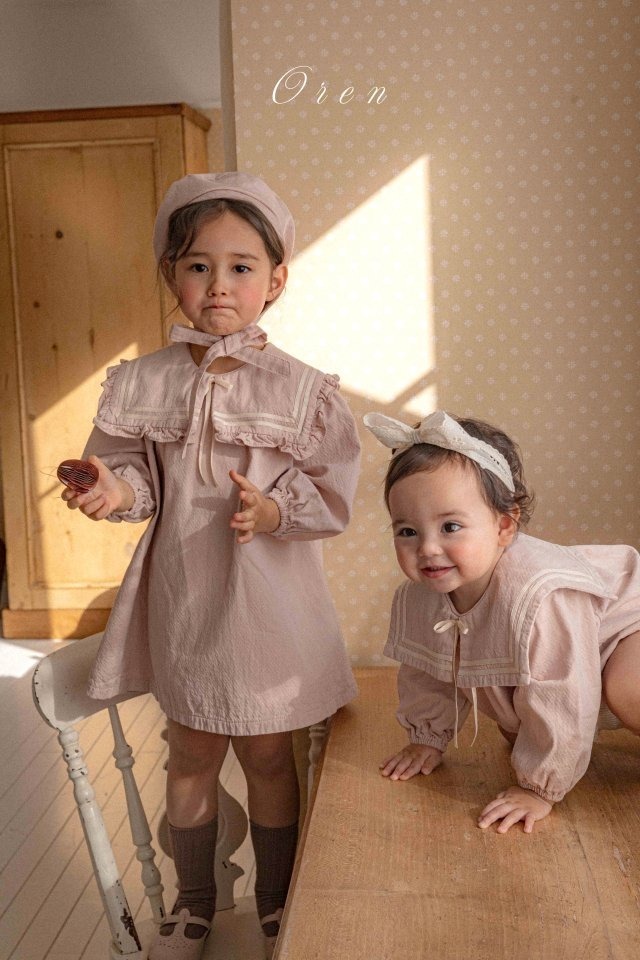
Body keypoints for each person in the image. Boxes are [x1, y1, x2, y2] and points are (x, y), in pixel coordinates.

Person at [62, 172, 360, 959]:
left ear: (275, 280)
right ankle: (193, 903)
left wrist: (275, 512)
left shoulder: (302, 390)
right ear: (172, 275)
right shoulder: (143, 382)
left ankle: (275, 901)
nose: (218, 284)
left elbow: (332, 494)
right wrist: (110, 490)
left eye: (240, 266)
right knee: (190, 751)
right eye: (198, 265)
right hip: (187, 597)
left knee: (268, 755)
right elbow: (133, 477)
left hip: (266, 604)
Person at [363, 410, 640, 835]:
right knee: (518, 729)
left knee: (627, 689)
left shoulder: (538, 596)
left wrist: (539, 788)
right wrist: (427, 736)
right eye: (407, 531)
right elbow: (429, 668)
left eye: (450, 526)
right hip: (582, 643)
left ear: (504, 527)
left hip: (629, 621)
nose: (428, 548)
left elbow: (560, 691)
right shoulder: (421, 595)